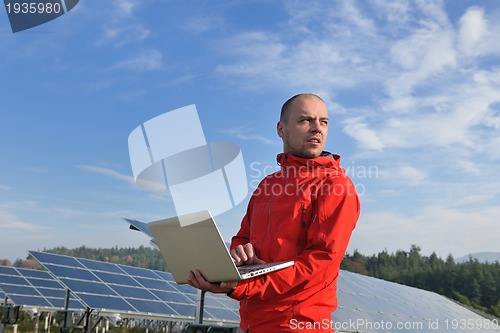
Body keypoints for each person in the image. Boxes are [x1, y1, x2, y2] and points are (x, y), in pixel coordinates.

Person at [187, 93, 360, 332]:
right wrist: (238, 257)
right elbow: (242, 238)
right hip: (253, 324)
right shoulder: (268, 185)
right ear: (281, 129)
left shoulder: (335, 186)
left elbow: (320, 265)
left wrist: (238, 285)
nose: (316, 129)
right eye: (305, 120)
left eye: (324, 122)